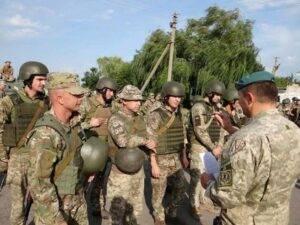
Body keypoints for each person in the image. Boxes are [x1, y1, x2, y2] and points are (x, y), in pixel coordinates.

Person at [201, 71, 300, 225]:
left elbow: (226, 196)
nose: (238, 103)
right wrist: (229, 128)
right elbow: (265, 143)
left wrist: (207, 183)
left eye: (239, 98)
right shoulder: (293, 129)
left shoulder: (245, 139)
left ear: (249, 98)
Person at [27, 72, 89, 225]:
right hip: (56, 210)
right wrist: (56, 220)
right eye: (76, 95)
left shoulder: (73, 124)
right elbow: (40, 184)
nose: (81, 98)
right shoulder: (46, 134)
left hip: (77, 202)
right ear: (60, 98)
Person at [0, 61, 49, 225]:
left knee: (44, 203)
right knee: (18, 208)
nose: (44, 83)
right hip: (18, 159)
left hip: (41, 159)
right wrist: (3, 158)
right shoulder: (9, 101)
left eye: (45, 79)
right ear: (28, 79)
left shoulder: (47, 102)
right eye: (40, 79)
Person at [106, 85, 156, 224]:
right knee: (118, 212)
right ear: (124, 101)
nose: (139, 103)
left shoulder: (140, 118)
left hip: (138, 170)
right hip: (120, 172)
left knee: (134, 209)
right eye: (134, 100)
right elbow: (123, 141)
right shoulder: (115, 119)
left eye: (140, 100)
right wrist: (145, 141)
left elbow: (150, 134)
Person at [147, 81, 188, 225]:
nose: (178, 99)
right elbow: (150, 140)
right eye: (174, 96)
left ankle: (170, 209)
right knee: (158, 190)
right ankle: (159, 216)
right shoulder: (156, 115)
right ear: (166, 97)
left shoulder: (180, 114)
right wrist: (153, 164)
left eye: (180, 97)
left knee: (181, 186)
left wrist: (183, 156)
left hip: (176, 157)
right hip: (160, 158)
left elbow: (181, 136)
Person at [189, 79, 227, 218]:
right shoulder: (199, 107)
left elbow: (221, 128)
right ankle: (193, 205)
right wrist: (213, 147)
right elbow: (199, 131)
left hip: (211, 148)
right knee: (196, 178)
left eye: (220, 95)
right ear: (210, 93)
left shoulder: (213, 108)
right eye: (216, 94)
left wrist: (219, 146)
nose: (219, 97)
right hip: (199, 147)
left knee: (207, 177)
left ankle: (202, 200)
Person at [80, 76, 117, 218]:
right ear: (102, 90)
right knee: (82, 183)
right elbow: (73, 124)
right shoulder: (86, 104)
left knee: (101, 182)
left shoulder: (112, 106)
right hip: (89, 152)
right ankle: (79, 210)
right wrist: (89, 123)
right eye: (110, 91)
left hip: (105, 151)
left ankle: (98, 207)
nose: (112, 94)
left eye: (114, 92)